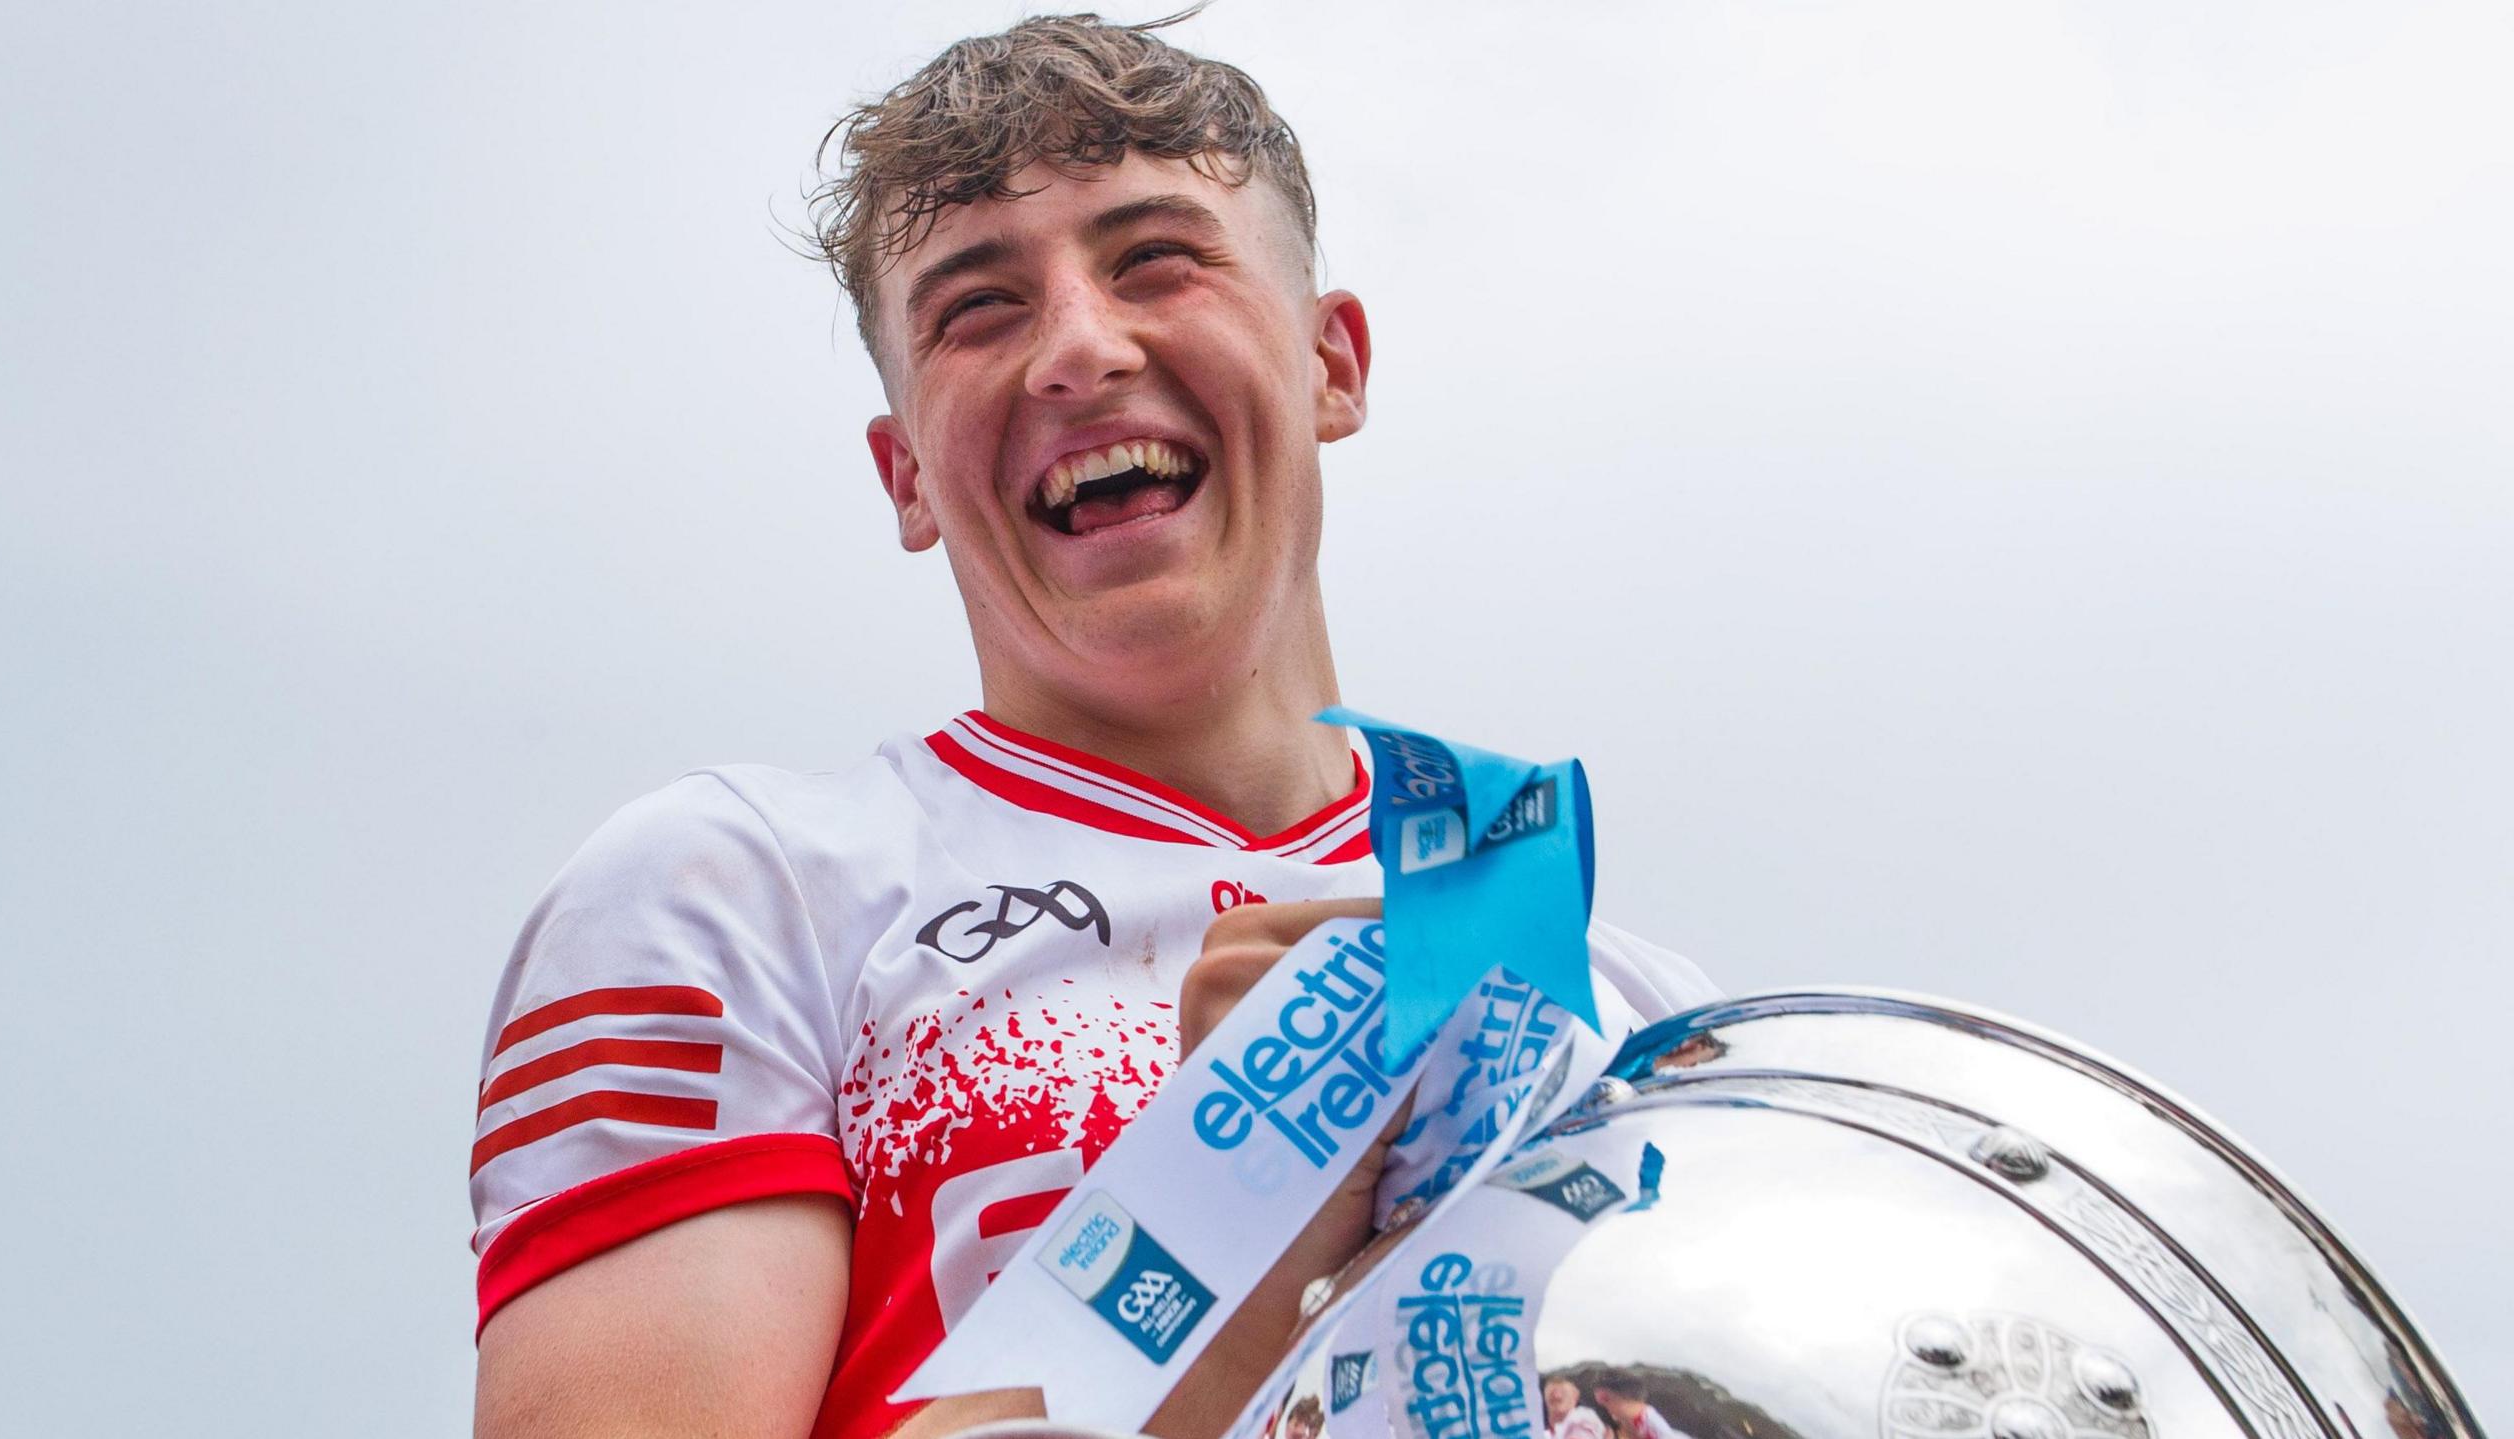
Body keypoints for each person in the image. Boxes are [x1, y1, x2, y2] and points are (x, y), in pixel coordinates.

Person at [466, 14, 1718, 1439]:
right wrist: (1239, 1208)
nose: (1078, 346)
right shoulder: (738, 892)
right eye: (977, 310)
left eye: (1156, 260)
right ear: (908, 476)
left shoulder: (1622, 997)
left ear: (1334, 367)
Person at [1592, 1370, 1690, 1439]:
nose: (1602, 1405)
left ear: (1626, 1394)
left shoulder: (1652, 1423)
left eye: (1605, 1399)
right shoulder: (1621, 1422)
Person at [1544, 1374, 1609, 1439]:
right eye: (1552, 1395)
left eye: (1562, 1392)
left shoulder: (1582, 1420)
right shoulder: (1542, 1431)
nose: (1556, 1395)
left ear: (1575, 1394)